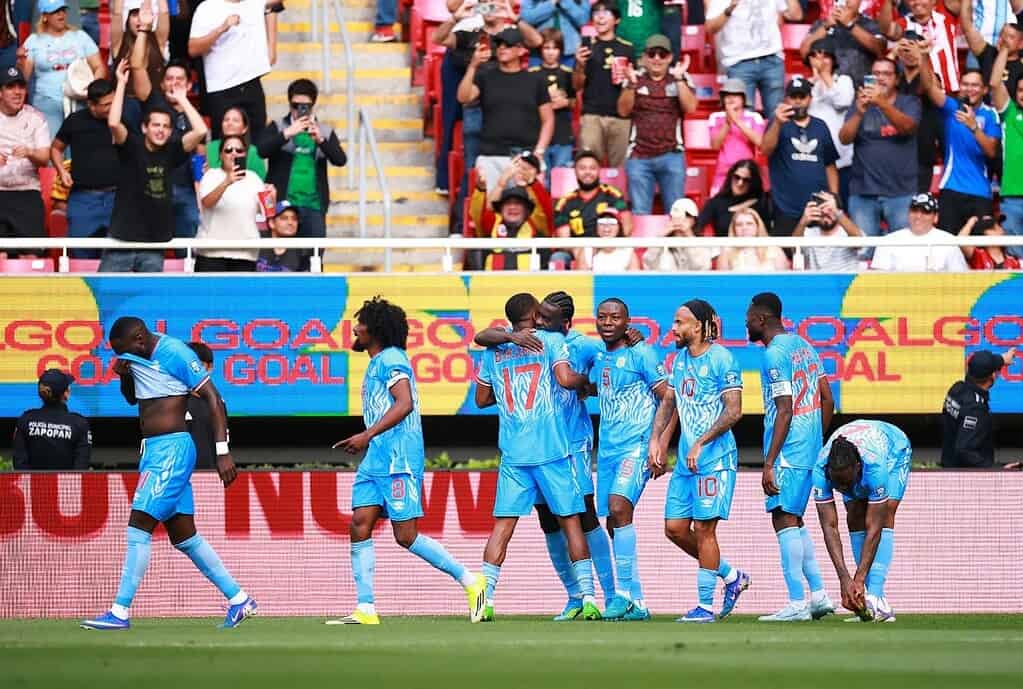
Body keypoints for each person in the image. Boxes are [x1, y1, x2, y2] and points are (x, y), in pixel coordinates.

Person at [80, 316, 255, 630]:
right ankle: (239, 598)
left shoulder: (176, 353)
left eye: (124, 350)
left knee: (138, 526)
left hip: (171, 451)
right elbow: (134, 399)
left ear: (139, 338)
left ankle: (119, 612)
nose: (122, 357)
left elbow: (214, 398)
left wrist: (222, 451)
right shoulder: (137, 354)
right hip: (155, 451)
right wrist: (124, 377)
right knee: (184, 535)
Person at [329, 297, 486, 625]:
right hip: (377, 459)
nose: (354, 328)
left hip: (398, 459)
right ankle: (366, 608)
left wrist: (365, 435)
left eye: (359, 322)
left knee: (406, 535)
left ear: (375, 329)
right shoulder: (376, 362)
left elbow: (405, 403)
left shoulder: (392, 358)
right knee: (359, 524)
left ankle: (471, 581)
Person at [473, 291, 617, 619]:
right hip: (552, 449)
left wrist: (514, 392)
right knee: (570, 524)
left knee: (502, 529)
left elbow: (482, 399)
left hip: (513, 452)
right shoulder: (550, 342)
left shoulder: (494, 351)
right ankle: (590, 598)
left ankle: (484, 603)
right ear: (536, 314)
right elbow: (566, 380)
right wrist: (588, 385)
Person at [648, 299, 749, 623]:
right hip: (687, 461)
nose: (673, 329)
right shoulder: (679, 360)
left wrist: (701, 443)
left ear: (699, 326)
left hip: (715, 459)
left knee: (704, 530)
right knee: (675, 529)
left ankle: (705, 607)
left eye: (679, 323)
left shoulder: (722, 359)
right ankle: (732, 576)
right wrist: (657, 440)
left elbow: (734, 411)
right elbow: (669, 403)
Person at [745, 292, 836, 622]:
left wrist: (769, 462)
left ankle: (797, 602)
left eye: (749, 316)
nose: (745, 321)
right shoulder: (805, 347)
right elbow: (828, 399)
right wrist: (817, 441)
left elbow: (784, 410)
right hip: (807, 448)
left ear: (762, 319)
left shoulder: (774, 355)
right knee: (794, 519)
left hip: (787, 451)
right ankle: (820, 595)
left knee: (782, 517)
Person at [586, 297, 667, 620]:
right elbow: (601, 388)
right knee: (612, 520)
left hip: (636, 446)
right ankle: (638, 602)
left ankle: (620, 595)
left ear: (627, 321)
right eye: (602, 317)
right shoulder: (598, 357)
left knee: (620, 507)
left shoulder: (643, 354)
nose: (607, 322)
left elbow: (668, 397)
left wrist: (658, 443)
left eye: (614, 317)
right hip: (607, 450)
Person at [102, 59, 206, 272]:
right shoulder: (131, 145)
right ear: (144, 128)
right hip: (122, 239)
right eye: (156, 125)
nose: (161, 130)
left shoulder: (173, 149)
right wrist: (121, 83)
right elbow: (113, 123)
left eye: (166, 127)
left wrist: (182, 99)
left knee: (148, 302)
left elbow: (201, 131)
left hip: (154, 243)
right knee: (107, 298)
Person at [812, 419, 913, 622]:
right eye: (837, 483)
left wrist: (858, 577)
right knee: (854, 516)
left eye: (846, 482)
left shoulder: (876, 468)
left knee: (885, 516)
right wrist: (844, 579)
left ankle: (875, 595)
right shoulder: (820, 471)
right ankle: (867, 598)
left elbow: (874, 528)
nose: (844, 488)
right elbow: (829, 527)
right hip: (860, 454)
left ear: (857, 468)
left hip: (894, 451)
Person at [458, 26, 553, 190]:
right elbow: (463, 97)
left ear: (521, 50)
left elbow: (548, 119)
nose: (502, 48)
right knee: (490, 209)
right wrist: (473, 66)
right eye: (499, 44)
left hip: (526, 156)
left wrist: (539, 152)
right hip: (491, 154)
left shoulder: (536, 80)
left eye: (508, 44)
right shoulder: (485, 77)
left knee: (529, 211)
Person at [839, 57, 921, 241]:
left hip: (901, 192)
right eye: (876, 74)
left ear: (897, 79)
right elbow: (844, 138)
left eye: (887, 74)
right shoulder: (859, 103)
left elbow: (907, 127)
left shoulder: (909, 102)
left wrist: (881, 103)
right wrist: (859, 112)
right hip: (863, 192)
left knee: (902, 253)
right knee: (864, 251)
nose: (881, 78)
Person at [130, 51, 204, 248]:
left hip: (185, 189)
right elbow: (137, 67)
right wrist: (145, 30)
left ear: (189, 85)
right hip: (154, 187)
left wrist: (199, 193)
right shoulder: (155, 104)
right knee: (150, 248)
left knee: (187, 249)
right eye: (169, 79)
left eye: (180, 79)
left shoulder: (193, 114)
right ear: (162, 84)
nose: (174, 83)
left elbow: (200, 154)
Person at [257, 78, 347, 239]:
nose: (300, 110)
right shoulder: (278, 126)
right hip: (282, 207)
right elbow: (261, 150)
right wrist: (287, 133)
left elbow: (340, 160)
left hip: (314, 206)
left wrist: (321, 140)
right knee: (282, 260)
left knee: (314, 259)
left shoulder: (324, 130)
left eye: (305, 106)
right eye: (295, 105)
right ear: (289, 104)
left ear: (313, 105)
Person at [618, 34, 696, 215]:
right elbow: (623, 111)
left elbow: (691, 107)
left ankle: (676, 245)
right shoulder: (634, 77)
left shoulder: (681, 77)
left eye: (662, 54)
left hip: (672, 154)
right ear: (644, 57)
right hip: (639, 156)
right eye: (652, 54)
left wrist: (678, 80)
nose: (657, 59)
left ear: (669, 57)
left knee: (677, 213)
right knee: (639, 212)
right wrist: (631, 85)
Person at [920, 59, 1001, 234]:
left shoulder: (989, 114)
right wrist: (922, 56)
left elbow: (991, 150)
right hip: (951, 189)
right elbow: (929, 87)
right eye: (965, 84)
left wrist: (974, 127)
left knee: (979, 251)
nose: (969, 89)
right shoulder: (951, 107)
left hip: (980, 191)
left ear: (984, 90)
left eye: (975, 85)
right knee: (948, 247)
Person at [763, 76, 840, 237]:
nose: (798, 101)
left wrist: (834, 198)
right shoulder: (777, 123)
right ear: (786, 99)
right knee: (787, 256)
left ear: (810, 99)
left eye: (802, 97)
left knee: (820, 256)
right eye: (793, 97)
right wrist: (777, 123)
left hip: (819, 205)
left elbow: (829, 164)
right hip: (786, 207)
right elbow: (766, 150)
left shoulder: (820, 126)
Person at [188, 0, 276, 140]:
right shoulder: (207, 8)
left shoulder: (255, 2)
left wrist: (272, 47)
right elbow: (193, 49)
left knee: (257, 147)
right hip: (222, 89)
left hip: (252, 84)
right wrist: (221, 29)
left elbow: (277, 3)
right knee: (224, 146)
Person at [50, 77, 117, 259]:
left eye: (113, 102)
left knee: (118, 257)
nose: (112, 108)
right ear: (91, 105)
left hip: (116, 198)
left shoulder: (121, 120)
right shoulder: (75, 121)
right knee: (80, 253)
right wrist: (61, 171)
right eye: (105, 105)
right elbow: (56, 148)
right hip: (83, 199)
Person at [705, 0, 803, 120]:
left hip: (771, 59)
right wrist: (730, 8)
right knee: (743, 119)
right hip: (739, 62)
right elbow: (710, 28)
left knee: (778, 117)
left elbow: (796, 15)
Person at [21, 0, 105, 138]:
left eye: (63, 10)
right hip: (47, 103)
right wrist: (21, 60)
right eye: (55, 11)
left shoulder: (80, 36)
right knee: (51, 148)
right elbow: (24, 78)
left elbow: (99, 66)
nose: (61, 14)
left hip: (79, 102)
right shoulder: (33, 40)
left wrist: (91, 91)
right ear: (45, 16)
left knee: (79, 149)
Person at [572, 1, 634, 167]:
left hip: (620, 118)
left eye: (606, 12)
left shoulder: (627, 49)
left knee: (620, 170)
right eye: (596, 12)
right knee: (589, 168)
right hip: (592, 116)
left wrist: (629, 77)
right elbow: (577, 86)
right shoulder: (586, 48)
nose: (599, 16)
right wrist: (579, 64)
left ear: (617, 20)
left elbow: (633, 85)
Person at [195, 133, 268, 271]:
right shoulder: (211, 175)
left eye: (239, 150)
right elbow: (206, 203)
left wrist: (271, 197)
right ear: (221, 155)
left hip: (245, 253)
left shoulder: (254, 178)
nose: (234, 153)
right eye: (228, 150)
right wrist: (227, 182)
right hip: (212, 253)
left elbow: (266, 213)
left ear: (245, 154)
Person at [0, 66, 49, 257]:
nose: (17, 92)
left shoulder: (35, 117)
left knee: (30, 256)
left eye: (21, 86)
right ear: (0, 92)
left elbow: (44, 158)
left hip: (27, 193)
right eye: (11, 87)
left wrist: (29, 152)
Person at [553, 149, 631, 267]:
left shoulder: (612, 194)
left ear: (599, 170)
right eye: (582, 168)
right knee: (557, 258)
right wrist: (583, 251)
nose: (587, 172)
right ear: (575, 171)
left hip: (608, 246)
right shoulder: (564, 202)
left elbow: (627, 227)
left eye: (592, 168)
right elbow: (564, 240)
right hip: (577, 249)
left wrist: (605, 248)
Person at [942, 348, 1016, 467]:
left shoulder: (957, 388)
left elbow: (980, 364)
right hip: (967, 477)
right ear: (992, 376)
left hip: (948, 465)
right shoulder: (975, 409)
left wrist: (1002, 359)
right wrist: (995, 469)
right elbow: (964, 450)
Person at [805, 39, 855, 205]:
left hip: (842, 163)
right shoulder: (804, 86)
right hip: (813, 164)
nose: (820, 60)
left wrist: (824, 74)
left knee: (841, 212)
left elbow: (843, 101)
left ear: (834, 59)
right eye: (815, 55)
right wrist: (814, 80)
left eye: (826, 55)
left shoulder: (844, 81)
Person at [894, 33, 944, 194]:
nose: (909, 53)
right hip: (893, 152)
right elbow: (877, 80)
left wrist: (923, 55)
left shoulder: (931, 77)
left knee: (916, 208)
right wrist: (893, 53)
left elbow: (929, 87)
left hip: (921, 153)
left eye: (912, 47)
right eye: (905, 48)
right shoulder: (894, 79)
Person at [12, 368, 91, 470]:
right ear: (66, 394)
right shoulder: (80, 424)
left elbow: (19, 464)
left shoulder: (25, 419)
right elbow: (81, 467)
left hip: (32, 485)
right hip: (67, 485)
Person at [879, 0, 961, 94]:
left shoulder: (947, 18)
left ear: (933, 1)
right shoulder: (904, 23)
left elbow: (961, 7)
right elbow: (886, 29)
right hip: (918, 95)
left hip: (951, 92)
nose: (917, 2)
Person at [870, 191, 969, 270]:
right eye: (914, 210)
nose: (918, 216)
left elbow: (960, 279)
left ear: (935, 217)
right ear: (908, 213)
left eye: (925, 212)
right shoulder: (888, 241)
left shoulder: (949, 242)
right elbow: (877, 284)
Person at [112, 0, 168, 132]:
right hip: (127, 104)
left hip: (155, 104)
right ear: (127, 19)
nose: (140, 19)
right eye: (135, 15)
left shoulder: (158, 40)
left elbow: (164, 13)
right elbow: (117, 13)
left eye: (144, 14)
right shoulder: (119, 42)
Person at [800, 0, 886, 86]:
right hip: (828, 88)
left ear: (860, 2)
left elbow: (880, 49)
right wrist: (826, 26)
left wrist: (849, 24)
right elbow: (804, 52)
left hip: (861, 89)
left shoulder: (871, 25)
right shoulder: (821, 24)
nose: (847, 1)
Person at [528, 28, 575, 179]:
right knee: (540, 181)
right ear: (540, 50)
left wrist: (565, 102)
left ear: (560, 50)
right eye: (546, 48)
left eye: (555, 48)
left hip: (562, 136)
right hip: (537, 136)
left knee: (561, 182)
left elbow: (575, 102)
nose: (550, 52)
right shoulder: (532, 74)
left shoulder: (568, 73)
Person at [990, 43, 1023, 257]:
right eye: (1020, 90)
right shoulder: (1009, 112)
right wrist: (1005, 50)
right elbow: (994, 84)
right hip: (1012, 196)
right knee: (1015, 255)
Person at [708, 78, 765, 195]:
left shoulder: (754, 117)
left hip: (747, 173)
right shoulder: (715, 117)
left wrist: (737, 121)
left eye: (735, 95)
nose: (730, 98)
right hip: (723, 173)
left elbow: (760, 142)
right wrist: (728, 123)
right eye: (727, 95)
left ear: (743, 98)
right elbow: (715, 145)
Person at [476, 185, 547, 270]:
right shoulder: (490, 234)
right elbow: (476, 215)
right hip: (493, 282)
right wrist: (481, 189)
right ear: (501, 210)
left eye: (518, 203)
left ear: (526, 210)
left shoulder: (539, 239)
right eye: (508, 203)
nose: (512, 207)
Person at [696, 159, 773, 237]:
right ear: (731, 176)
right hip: (723, 247)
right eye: (737, 177)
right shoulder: (716, 202)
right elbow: (698, 227)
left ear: (753, 183)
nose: (740, 183)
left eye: (746, 180)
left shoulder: (763, 203)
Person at [959, 0, 1023, 94]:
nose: (1004, 39)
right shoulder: (988, 54)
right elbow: (967, 28)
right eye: (1002, 35)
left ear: (1021, 44)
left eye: (1011, 37)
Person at [793, 190, 865, 271]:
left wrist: (836, 212)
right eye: (821, 208)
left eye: (829, 208)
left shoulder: (848, 231)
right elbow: (795, 250)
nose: (825, 212)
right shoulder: (808, 233)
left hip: (845, 282)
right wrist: (803, 222)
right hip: (817, 282)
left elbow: (859, 242)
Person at [184, 341, 227, 471]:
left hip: (211, 474)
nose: (191, 371)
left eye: (197, 365)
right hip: (181, 474)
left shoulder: (218, 403)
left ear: (210, 367)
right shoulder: (173, 402)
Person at [643, 197, 716, 271]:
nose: (681, 219)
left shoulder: (702, 243)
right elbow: (648, 265)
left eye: (687, 215)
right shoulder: (661, 241)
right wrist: (660, 237)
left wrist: (689, 237)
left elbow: (703, 268)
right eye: (677, 214)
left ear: (694, 220)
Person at [717, 207, 790, 271]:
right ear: (734, 229)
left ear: (757, 226)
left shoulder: (774, 248)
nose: (744, 228)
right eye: (739, 224)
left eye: (749, 223)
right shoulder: (727, 251)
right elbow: (721, 283)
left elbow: (785, 282)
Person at [520, 0, 590, 64]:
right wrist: (552, 3)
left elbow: (583, 20)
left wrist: (564, 1)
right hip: (539, 51)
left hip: (569, 52)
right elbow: (526, 19)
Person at [206, 106, 266, 179]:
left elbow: (261, 181)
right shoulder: (210, 147)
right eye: (226, 120)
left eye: (235, 120)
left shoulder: (253, 151)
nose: (229, 123)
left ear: (245, 128)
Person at [578, 207, 641, 271]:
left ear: (619, 227)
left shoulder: (628, 250)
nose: (606, 227)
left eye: (612, 223)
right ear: (596, 227)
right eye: (602, 223)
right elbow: (581, 279)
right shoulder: (587, 250)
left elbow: (635, 279)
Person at [257, 200, 308, 272]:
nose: (290, 222)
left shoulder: (303, 251)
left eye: (294, 219)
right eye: (284, 218)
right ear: (272, 223)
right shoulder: (258, 244)